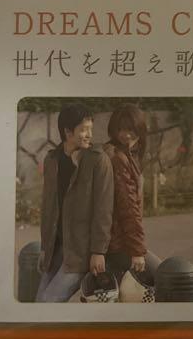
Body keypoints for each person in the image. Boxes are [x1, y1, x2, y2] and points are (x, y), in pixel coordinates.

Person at [36, 103, 114, 302]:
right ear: (68, 132)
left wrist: (98, 252)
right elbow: (48, 208)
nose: (89, 135)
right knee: (38, 302)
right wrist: (45, 248)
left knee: (48, 302)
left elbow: (103, 210)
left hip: (81, 252)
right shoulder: (52, 160)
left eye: (90, 129)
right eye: (84, 129)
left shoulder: (98, 160)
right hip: (55, 248)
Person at [103, 103, 161, 284]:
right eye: (121, 129)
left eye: (131, 129)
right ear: (113, 129)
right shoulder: (117, 158)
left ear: (140, 129)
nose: (126, 135)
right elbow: (128, 207)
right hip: (120, 244)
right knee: (165, 276)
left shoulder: (127, 153)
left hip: (119, 241)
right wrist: (137, 251)